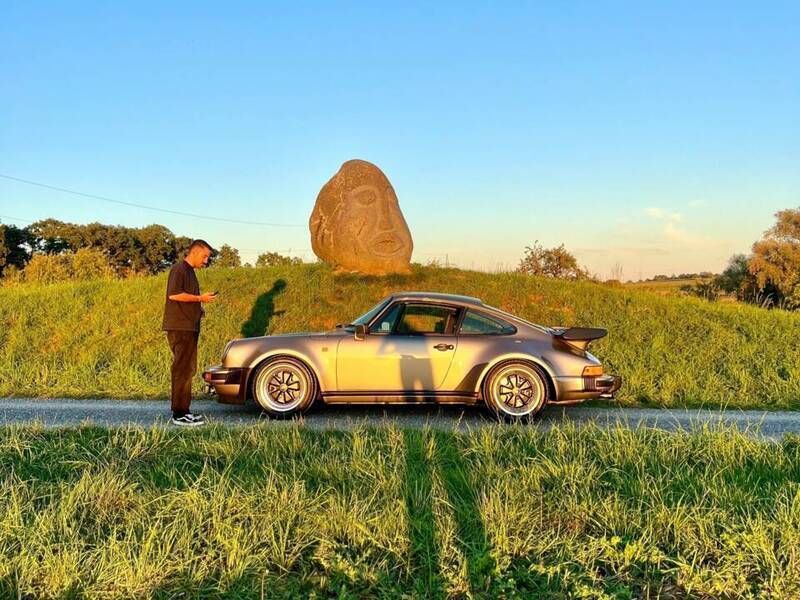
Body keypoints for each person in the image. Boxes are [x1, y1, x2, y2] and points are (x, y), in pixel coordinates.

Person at [162, 239, 217, 426]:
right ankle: (179, 414)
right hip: (181, 328)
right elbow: (174, 294)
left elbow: (186, 298)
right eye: (205, 256)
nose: (206, 261)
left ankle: (184, 411)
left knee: (188, 369)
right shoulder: (179, 269)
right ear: (194, 252)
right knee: (182, 369)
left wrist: (198, 309)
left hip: (189, 327)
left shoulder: (190, 272)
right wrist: (200, 298)